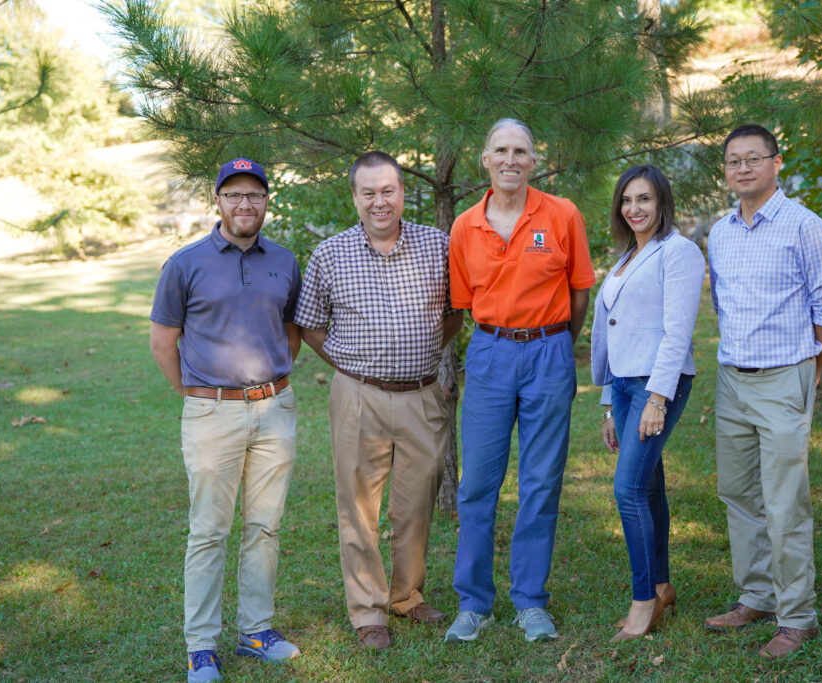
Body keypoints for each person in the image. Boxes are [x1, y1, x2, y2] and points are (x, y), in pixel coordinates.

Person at [292, 151, 463, 652]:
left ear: (403, 192)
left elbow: (455, 312)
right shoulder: (330, 253)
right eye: (368, 192)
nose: (378, 201)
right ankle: (369, 611)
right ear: (354, 197)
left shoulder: (438, 246)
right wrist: (351, 363)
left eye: (388, 190)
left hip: (422, 394)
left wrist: (428, 348)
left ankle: (406, 596)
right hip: (358, 396)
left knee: (415, 506)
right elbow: (311, 325)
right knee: (358, 508)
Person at [150, 158, 303, 682]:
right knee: (209, 532)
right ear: (217, 201)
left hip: (275, 410)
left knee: (265, 526)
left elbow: (290, 332)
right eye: (234, 195)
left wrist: (267, 389)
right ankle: (201, 648)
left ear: (266, 202)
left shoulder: (284, 261)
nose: (245, 204)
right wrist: (201, 396)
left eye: (254, 195)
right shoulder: (185, 264)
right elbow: (162, 342)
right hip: (211, 411)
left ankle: (256, 631)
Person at [445, 119, 596, 644]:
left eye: (521, 151)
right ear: (484, 159)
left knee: (540, 480)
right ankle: (474, 603)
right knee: (478, 483)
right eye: (501, 150)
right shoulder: (465, 226)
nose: (511, 159)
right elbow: (463, 303)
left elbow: (580, 291)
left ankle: (530, 600)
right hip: (489, 353)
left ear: (535, 160)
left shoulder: (562, 214)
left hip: (550, 351)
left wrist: (557, 342)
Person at [704, 124, 822, 658]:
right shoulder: (719, 232)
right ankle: (758, 595)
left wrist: (810, 369)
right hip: (732, 381)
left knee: (785, 502)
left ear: (776, 162)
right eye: (733, 161)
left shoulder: (804, 227)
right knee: (739, 496)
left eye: (753, 159)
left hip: (785, 377)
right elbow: (723, 305)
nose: (742, 168)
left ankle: (798, 616)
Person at [590, 165, 705, 642]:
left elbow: (678, 332)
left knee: (628, 489)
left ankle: (644, 604)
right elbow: (614, 330)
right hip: (622, 384)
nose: (634, 208)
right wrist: (607, 402)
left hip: (658, 384)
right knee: (649, 486)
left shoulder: (678, 253)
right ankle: (661, 585)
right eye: (626, 200)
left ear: (662, 203)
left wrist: (656, 398)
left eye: (644, 199)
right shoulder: (625, 257)